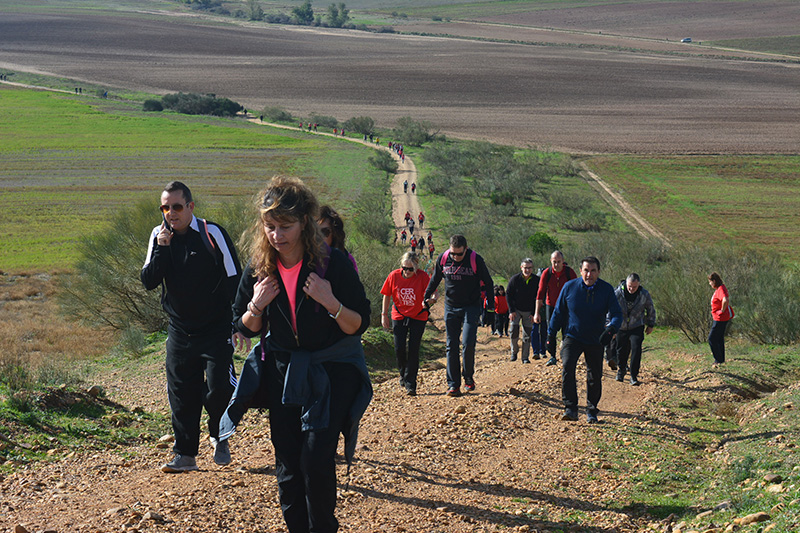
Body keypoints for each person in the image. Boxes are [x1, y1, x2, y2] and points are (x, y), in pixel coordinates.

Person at [225, 176, 372, 533]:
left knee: (316, 458)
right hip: (283, 370)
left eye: (285, 226)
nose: (277, 236)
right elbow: (243, 328)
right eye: (270, 226)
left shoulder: (332, 264)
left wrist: (330, 301)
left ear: (304, 222)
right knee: (288, 462)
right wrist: (256, 306)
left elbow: (358, 324)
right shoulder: (260, 267)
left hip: (331, 369)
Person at [141, 181, 243, 473]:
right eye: (165, 207)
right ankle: (185, 454)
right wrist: (162, 248)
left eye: (176, 206)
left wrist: (237, 323)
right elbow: (148, 281)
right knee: (181, 394)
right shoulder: (158, 236)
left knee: (219, 387)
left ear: (190, 207)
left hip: (216, 329)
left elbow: (234, 278)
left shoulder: (212, 233)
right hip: (180, 331)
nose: (170, 213)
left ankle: (219, 435)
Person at [547, 256, 622, 423]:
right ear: (580, 271)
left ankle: (591, 410)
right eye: (586, 270)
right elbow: (558, 312)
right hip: (572, 336)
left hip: (596, 339)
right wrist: (550, 334)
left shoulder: (606, 289)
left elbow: (617, 314)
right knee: (567, 367)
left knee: (594, 375)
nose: (589, 274)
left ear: (598, 272)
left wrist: (611, 329)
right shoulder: (569, 287)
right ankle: (570, 408)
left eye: (593, 271)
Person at [424, 235, 494, 397]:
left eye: (459, 254)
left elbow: (489, 283)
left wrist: (490, 308)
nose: (455, 257)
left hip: (471, 306)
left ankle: (468, 377)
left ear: (466, 249)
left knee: (468, 343)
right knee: (451, 346)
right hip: (450, 306)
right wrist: (426, 296)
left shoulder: (475, 259)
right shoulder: (443, 258)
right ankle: (453, 385)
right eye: (453, 254)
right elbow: (435, 279)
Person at [381, 252, 431, 396]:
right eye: (404, 268)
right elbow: (387, 294)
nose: (407, 272)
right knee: (399, 347)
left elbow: (432, 293)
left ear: (416, 267)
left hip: (418, 316)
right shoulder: (394, 276)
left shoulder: (422, 276)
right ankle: (403, 373)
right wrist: (384, 315)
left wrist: (431, 299)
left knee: (414, 349)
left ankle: (411, 384)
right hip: (399, 315)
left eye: (410, 269)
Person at [534, 251, 578, 366]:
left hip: (566, 307)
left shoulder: (570, 273)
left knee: (567, 331)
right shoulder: (546, 273)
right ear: (551, 261)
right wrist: (536, 313)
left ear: (563, 261)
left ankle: (565, 356)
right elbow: (540, 294)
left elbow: (577, 291)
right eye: (554, 262)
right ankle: (552, 356)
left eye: (559, 262)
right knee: (551, 331)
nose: (556, 264)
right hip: (551, 305)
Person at [613, 273, 656, 385]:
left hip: (637, 325)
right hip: (621, 326)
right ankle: (621, 370)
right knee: (621, 350)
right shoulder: (617, 293)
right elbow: (610, 310)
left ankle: (633, 376)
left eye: (634, 287)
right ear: (626, 284)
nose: (631, 289)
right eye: (629, 286)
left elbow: (650, 309)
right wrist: (610, 326)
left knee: (636, 349)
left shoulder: (644, 294)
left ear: (639, 285)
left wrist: (650, 324)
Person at [506, 258, 541, 363]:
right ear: (521, 268)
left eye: (529, 268)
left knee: (527, 336)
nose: (527, 270)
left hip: (529, 312)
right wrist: (511, 311)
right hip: (516, 310)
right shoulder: (515, 279)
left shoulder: (536, 280)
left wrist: (534, 313)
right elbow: (508, 294)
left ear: (532, 268)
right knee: (513, 332)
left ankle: (525, 357)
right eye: (525, 268)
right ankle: (514, 351)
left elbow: (538, 297)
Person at [318, 205, 358, 273]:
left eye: (324, 232)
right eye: (314, 232)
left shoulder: (347, 260)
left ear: (334, 234)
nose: (318, 237)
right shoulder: (302, 258)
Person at [708, 272, 733, 368]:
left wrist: (722, 311)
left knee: (712, 338)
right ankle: (721, 359)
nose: (710, 284)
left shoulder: (721, 289)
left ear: (714, 281)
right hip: (720, 317)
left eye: (710, 282)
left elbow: (725, 300)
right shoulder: (721, 288)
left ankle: (718, 359)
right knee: (719, 338)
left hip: (720, 318)